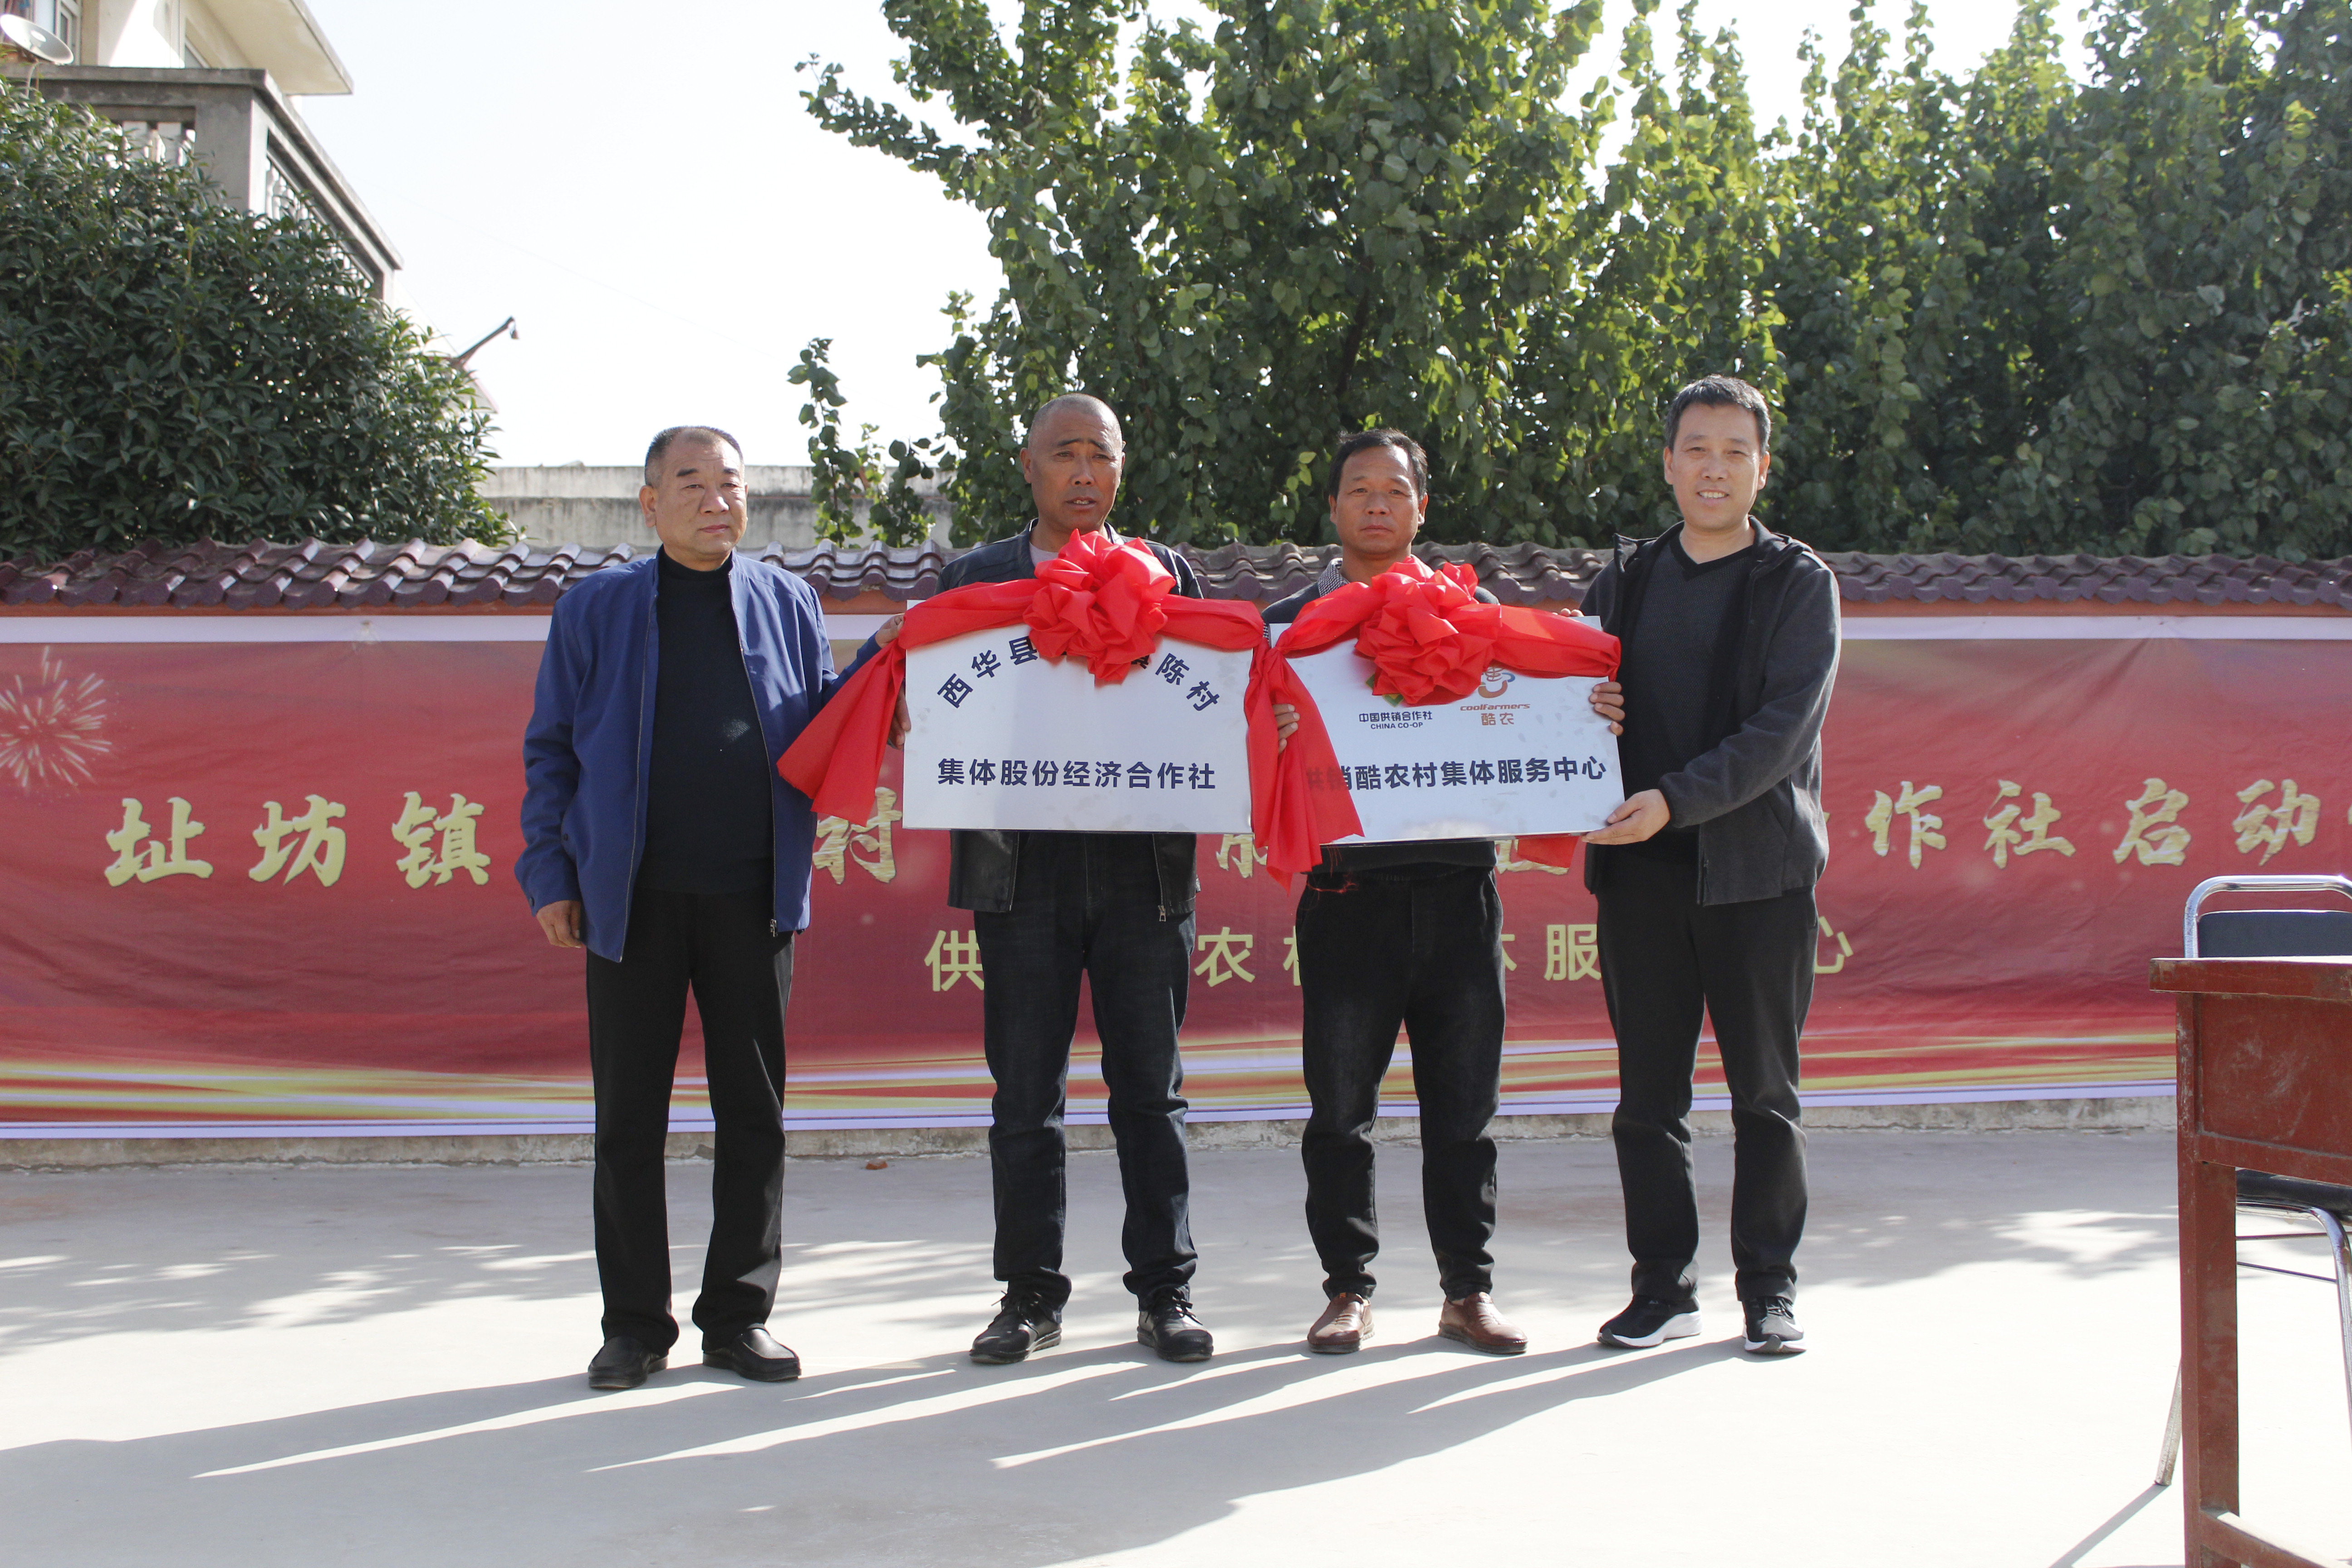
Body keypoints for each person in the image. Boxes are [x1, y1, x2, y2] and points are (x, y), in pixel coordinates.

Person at [1262, 429, 1622, 1357]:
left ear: (1422, 507)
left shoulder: (1476, 613)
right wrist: (1272, 728)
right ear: (1333, 506)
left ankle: (1469, 1290)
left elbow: (1542, 705)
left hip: (1461, 891)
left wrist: (1590, 710)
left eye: (1396, 488)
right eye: (1359, 489)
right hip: (1347, 895)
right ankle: (1347, 1289)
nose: (1377, 503)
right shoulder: (1289, 628)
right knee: (1340, 1111)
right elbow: (1245, 749)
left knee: (1464, 1110)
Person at [518, 426, 837, 1391]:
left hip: (753, 896)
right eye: (690, 483)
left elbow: (827, 721)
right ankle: (633, 1326)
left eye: (730, 483)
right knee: (629, 1121)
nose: (715, 499)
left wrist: (893, 680)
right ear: (650, 504)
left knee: (754, 1116)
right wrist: (551, 873)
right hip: (631, 901)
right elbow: (551, 749)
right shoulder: (597, 608)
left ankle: (739, 1317)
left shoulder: (787, 602)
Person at [926, 393, 1218, 1367]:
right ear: (1028, 466)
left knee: (1151, 1095)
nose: (1084, 472)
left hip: (1144, 868)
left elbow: (1210, 701)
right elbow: (933, 705)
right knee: (1025, 1097)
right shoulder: (976, 580)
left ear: (1123, 469)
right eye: (1065, 454)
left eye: (1101, 454)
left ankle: (1165, 1292)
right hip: (1022, 870)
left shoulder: (1166, 574)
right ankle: (1029, 1296)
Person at [1579, 375, 1839, 1357]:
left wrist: (1675, 801)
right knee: (1648, 1101)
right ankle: (1662, 1287)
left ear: (1762, 469)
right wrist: (1584, 712)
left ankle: (1769, 1289)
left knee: (1765, 1097)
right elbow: (1564, 705)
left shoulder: (1798, 584)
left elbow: (1782, 732)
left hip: (1757, 874)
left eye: (1736, 451)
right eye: (1697, 448)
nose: (1714, 468)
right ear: (1668, 464)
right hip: (1639, 874)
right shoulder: (1623, 584)